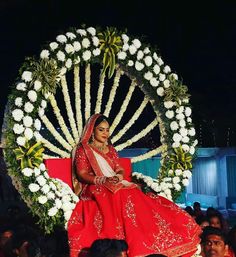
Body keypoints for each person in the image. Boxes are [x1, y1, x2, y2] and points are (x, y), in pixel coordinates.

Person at [68, 114, 201, 257]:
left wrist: (118, 176)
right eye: (101, 130)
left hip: (113, 181)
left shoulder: (111, 149)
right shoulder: (84, 149)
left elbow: (119, 168)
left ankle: (143, 230)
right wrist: (101, 180)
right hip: (94, 185)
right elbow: (81, 173)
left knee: (132, 189)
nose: (105, 133)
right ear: (92, 131)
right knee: (119, 192)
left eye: (107, 130)